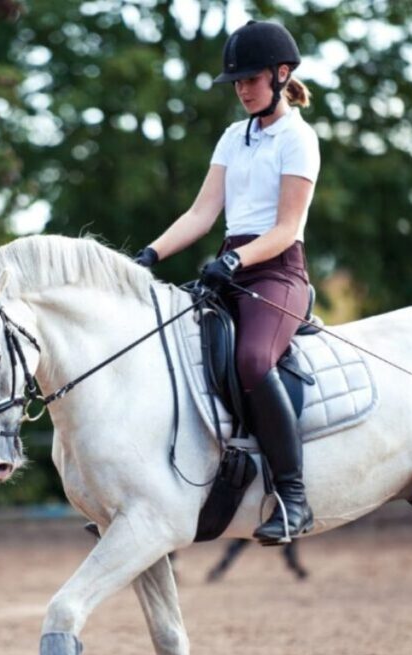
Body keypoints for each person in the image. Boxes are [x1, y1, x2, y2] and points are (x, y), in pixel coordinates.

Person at [134, 20, 320, 545]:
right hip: (229, 268)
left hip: (278, 272)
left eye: (251, 79)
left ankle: (293, 497)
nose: (241, 88)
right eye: (236, 81)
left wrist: (237, 263)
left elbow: (286, 229)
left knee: (252, 360)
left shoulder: (298, 138)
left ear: (281, 75)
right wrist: (150, 254)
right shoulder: (232, 138)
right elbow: (200, 214)